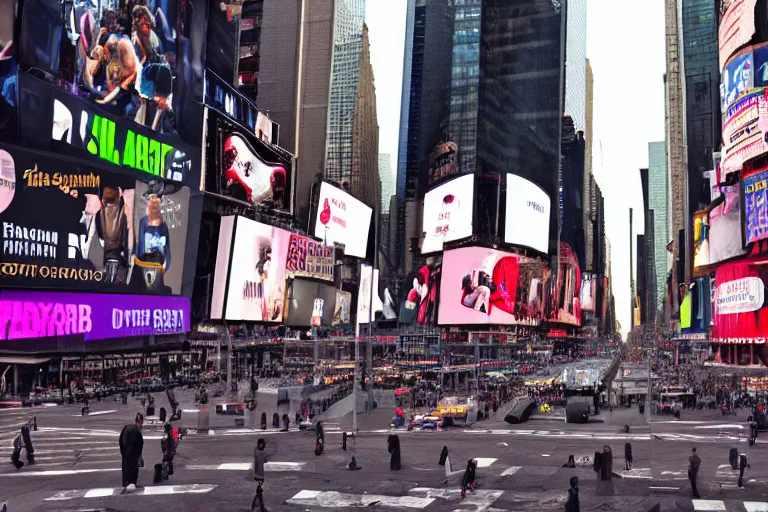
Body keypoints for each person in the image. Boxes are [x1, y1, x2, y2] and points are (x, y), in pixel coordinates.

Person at [119, 423, 144, 488]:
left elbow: (123, 442)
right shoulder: (134, 432)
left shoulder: (129, 430)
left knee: (128, 465)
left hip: (129, 450)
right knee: (131, 465)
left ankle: (128, 482)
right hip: (131, 451)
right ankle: (130, 482)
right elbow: (139, 445)